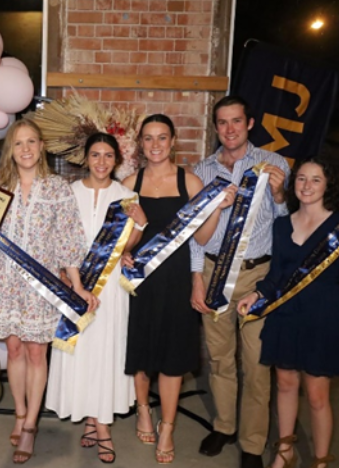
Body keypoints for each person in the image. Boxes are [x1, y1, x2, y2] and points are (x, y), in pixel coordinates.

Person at [237, 159, 339, 468]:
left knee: (316, 396)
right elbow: (277, 275)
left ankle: (320, 461)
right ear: (293, 184)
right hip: (286, 315)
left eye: (315, 180)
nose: (307, 185)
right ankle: (285, 451)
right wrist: (257, 293)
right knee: (285, 385)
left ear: (328, 185)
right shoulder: (282, 224)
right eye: (301, 179)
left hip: (322, 317)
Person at [0, 119, 98, 464]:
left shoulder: (57, 188)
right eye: (18, 143)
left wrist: (76, 286)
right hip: (5, 281)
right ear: (10, 150)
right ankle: (19, 412)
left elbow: (69, 240)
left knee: (36, 352)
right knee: (14, 350)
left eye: (32, 142)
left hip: (41, 286)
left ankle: (30, 424)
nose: (26, 149)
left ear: (41, 146)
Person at [121, 114, 235, 465]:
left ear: (173, 142)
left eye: (162, 138)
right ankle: (143, 410)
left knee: (172, 358)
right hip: (140, 280)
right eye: (148, 139)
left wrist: (216, 210)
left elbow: (201, 237)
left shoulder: (190, 181)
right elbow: (121, 237)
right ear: (141, 144)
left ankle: (167, 426)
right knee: (141, 351)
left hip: (175, 279)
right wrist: (123, 251)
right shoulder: (128, 183)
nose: (155, 145)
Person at [190, 96, 290, 468]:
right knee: (219, 360)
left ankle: (252, 444)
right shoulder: (201, 170)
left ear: (249, 123)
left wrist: (280, 195)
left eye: (236, 121)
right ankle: (225, 425)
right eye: (222, 122)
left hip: (257, 276)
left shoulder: (275, 164)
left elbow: (287, 224)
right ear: (215, 127)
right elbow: (194, 233)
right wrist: (197, 280)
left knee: (256, 363)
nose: (229, 129)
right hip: (214, 272)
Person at [46, 132, 146, 464]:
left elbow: (126, 246)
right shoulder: (69, 192)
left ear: (116, 160)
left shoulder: (127, 195)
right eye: (95, 155)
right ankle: (89, 416)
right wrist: (65, 275)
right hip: (75, 283)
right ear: (85, 158)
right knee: (82, 351)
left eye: (107, 156)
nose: (101, 162)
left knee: (106, 351)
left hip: (110, 286)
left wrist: (141, 229)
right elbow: (59, 237)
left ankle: (103, 425)